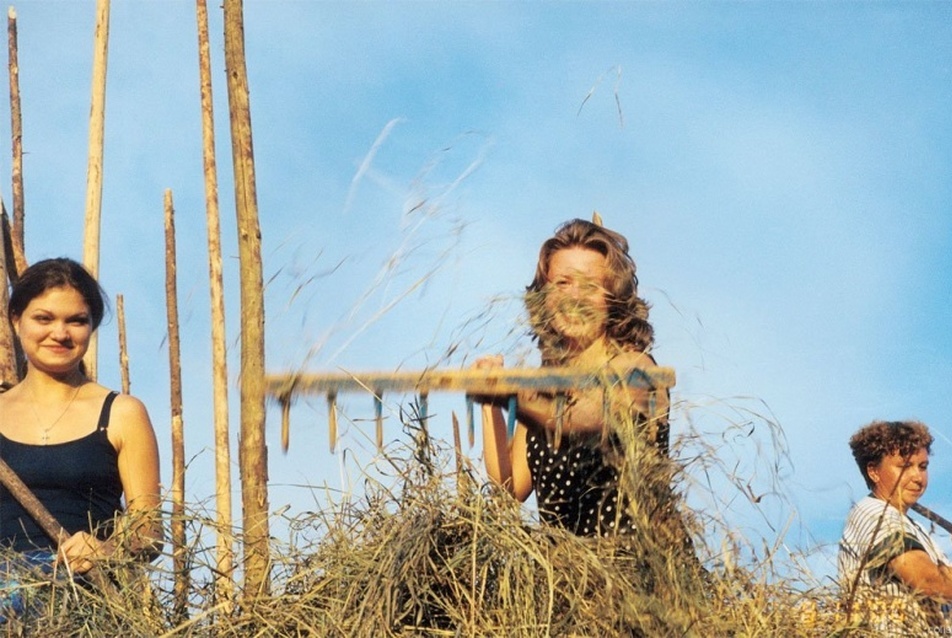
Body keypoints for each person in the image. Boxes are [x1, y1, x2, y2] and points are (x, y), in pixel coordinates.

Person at [474, 217, 673, 540]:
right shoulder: (544, 384)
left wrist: (511, 393)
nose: (575, 297)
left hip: (635, 573)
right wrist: (489, 404)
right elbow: (509, 488)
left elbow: (580, 419)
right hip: (567, 577)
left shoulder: (636, 368)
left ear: (613, 299)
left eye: (591, 285)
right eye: (562, 283)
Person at [0, 258, 162, 589]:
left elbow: (149, 532)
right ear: (16, 320)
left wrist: (107, 548)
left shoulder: (122, 414)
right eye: (44, 318)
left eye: (76, 321)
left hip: (82, 601)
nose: (59, 333)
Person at [838, 420, 951, 632]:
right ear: (873, 471)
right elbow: (928, 581)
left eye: (923, 466)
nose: (918, 477)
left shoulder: (913, 525)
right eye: (905, 466)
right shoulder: (874, 514)